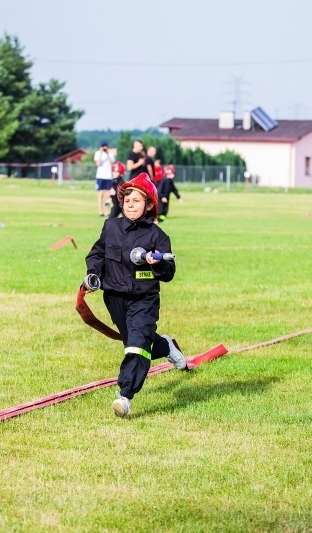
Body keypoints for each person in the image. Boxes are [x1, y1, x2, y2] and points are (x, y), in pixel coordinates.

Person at [84, 172, 186, 417]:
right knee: (136, 341)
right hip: (114, 298)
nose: (130, 204)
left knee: (137, 347)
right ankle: (166, 345)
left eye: (137, 200)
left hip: (144, 298)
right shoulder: (111, 227)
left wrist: (156, 263)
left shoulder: (158, 237)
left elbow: (168, 272)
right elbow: (96, 254)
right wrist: (93, 274)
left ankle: (125, 396)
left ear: (149, 204)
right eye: (127, 200)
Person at [93, 141, 115, 217]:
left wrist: (108, 154)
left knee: (108, 195)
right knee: (100, 194)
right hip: (100, 176)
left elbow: (112, 164)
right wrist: (101, 153)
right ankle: (100, 211)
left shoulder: (110, 154)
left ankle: (107, 211)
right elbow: (98, 164)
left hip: (109, 176)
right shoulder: (98, 153)